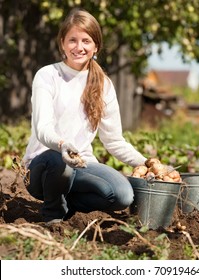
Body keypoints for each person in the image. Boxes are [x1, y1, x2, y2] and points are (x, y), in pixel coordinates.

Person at [22, 8, 147, 225]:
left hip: (81, 164)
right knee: (57, 159)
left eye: (86, 41)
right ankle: (53, 216)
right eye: (72, 40)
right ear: (62, 43)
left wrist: (148, 163)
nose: (79, 47)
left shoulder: (104, 85)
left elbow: (114, 141)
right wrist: (62, 144)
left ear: (96, 46)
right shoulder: (48, 75)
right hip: (43, 166)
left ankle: (69, 205)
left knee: (122, 195)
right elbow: (42, 129)